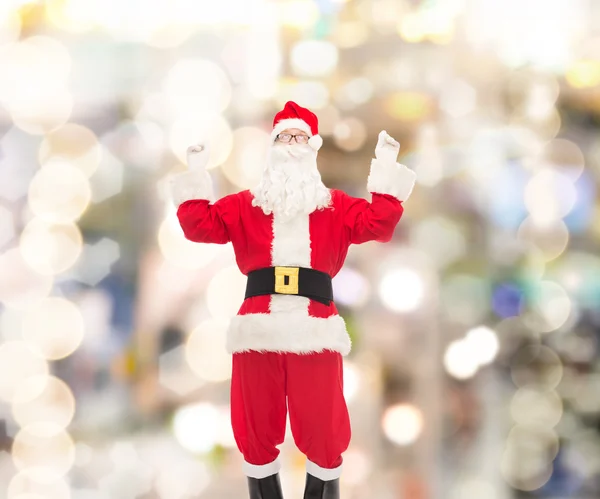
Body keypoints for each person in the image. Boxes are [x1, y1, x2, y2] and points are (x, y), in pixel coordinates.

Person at [169, 101, 417, 499]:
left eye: (300, 137)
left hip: (314, 327)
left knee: (322, 422)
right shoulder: (245, 205)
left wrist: (386, 168)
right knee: (255, 424)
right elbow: (200, 227)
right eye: (285, 137)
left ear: (312, 148)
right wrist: (196, 177)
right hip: (257, 328)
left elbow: (379, 224)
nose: (292, 144)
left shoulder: (334, 207)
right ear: (272, 146)